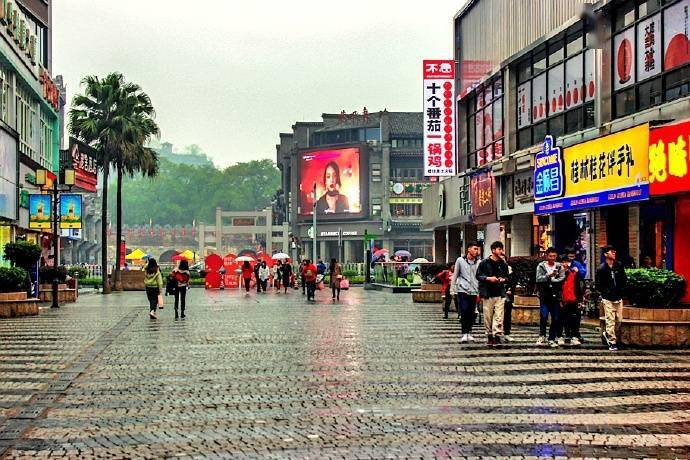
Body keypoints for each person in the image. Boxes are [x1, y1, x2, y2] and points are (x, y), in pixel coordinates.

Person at [476, 241, 509, 346]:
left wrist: (503, 279)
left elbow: (507, 277)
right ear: (493, 250)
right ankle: (489, 335)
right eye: (499, 249)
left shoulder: (503, 264)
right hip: (487, 293)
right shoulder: (484, 263)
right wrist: (488, 278)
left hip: (500, 292)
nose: (501, 251)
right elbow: (478, 276)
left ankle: (497, 335)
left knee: (499, 316)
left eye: (501, 249)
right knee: (488, 316)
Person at [596, 245, 627, 351]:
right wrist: (605, 292)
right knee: (610, 320)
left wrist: (621, 291)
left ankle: (607, 334)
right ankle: (612, 341)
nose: (614, 253)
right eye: (611, 252)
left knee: (619, 319)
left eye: (614, 251)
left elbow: (624, 279)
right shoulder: (601, 268)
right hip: (607, 297)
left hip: (618, 297)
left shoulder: (619, 265)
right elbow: (598, 285)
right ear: (605, 254)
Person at [536, 247, 566, 348]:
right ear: (546, 256)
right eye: (550, 256)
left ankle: (552, 338)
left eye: (554, 256)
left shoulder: (559, 266)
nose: (552, 258)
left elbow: (562, 277)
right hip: (544, 294)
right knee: (544, 316)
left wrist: (553, 280)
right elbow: (538, 279)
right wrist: (548, 276)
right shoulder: (541, 266)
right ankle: (542, 335)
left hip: (555, 295)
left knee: (556, 317)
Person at [451, 242, 480, 343]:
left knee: (471, 312)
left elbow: (479, 277)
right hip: (462, 290)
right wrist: (452, 289)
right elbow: (455, 275)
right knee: (464, 310)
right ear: (469, 249)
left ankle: (469, 332)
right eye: (475, 249)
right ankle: (464, 333)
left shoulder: (478, 262)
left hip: (474, 290)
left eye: (477, 249)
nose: (476, 251)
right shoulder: (460, 260)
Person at [559, 255, 584, 346]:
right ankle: (563, 336)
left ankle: (574, 336)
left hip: (573, 299)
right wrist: (559, 299)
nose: (565, 264)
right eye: (563, 262)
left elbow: (578, 287)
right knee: (562, 318)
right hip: (563, 300)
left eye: (567, 262)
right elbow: (557, 288)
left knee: (574, 318)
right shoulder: (558, 274)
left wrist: (580, 300)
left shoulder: (573, 273)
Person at [502, 256, 516, 342]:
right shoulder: (494, 268)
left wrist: (510, 289)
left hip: (508, 295)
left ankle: (507, 333)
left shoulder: (510, 270)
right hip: (496, 295)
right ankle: (495, 333)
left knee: (507, 314)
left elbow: (513, 281)